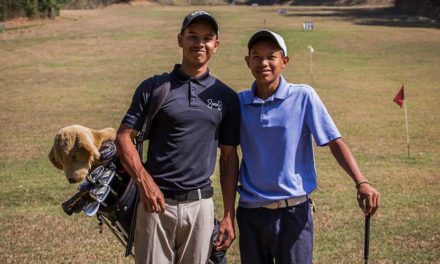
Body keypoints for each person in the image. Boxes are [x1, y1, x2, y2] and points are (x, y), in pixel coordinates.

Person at [236, 29, 381, 264]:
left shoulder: (303, 96)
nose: (264, 62)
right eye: (257, 56)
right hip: (251, 212)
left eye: (271, 56)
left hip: (293, 212)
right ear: (248, 61)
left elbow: (334, 141)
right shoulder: (239, 102)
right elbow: (227, 155)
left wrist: (361, 181)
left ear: (284, 61)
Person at [115, 11, 240, 264]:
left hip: (200, 205)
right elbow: (123, 138)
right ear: (180, 39)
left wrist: (228, 214)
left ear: (216, 45)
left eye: (207, 38)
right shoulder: (155, 87)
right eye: (192, 36)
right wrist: (144, 182)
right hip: (155, 203)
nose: (199, 44)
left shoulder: (226, 96)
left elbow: (228, 159)